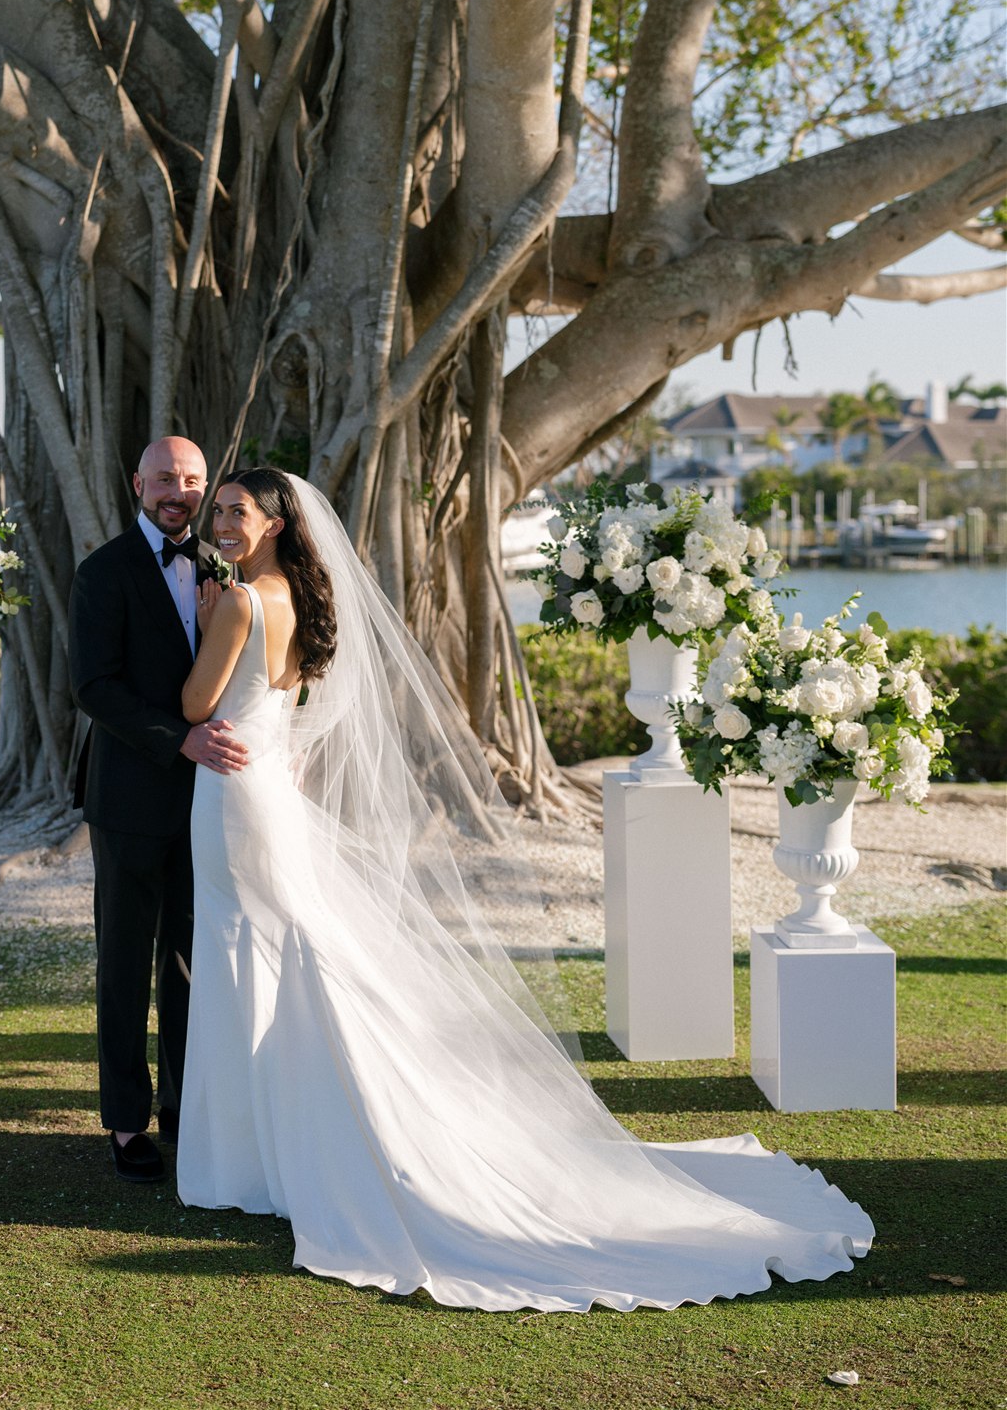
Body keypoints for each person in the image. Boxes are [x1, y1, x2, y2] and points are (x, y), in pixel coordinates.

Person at [174, 465, 874, 1312]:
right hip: (269, 789)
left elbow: (195, 700)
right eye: (219, 510)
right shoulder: (295, 602)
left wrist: (206, 620)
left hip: (232, 797)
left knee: (247, 951)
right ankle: (268, 1151)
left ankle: (250, 1155)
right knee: (277, 953)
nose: (220, 521)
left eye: (236, 510)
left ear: (278, 522)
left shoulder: (244, 603)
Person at [68, 435, 249, 1184]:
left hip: (205, 801)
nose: (178, 490)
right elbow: (94, 687)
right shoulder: (102, 572)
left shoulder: (223, 571)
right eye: (165, 477)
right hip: (129, 795)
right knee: (123, 962)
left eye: (191, 479)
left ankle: (183, 1104)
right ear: (136, 482)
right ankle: (123, 1122)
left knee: (186, 959)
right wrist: (177, 741)